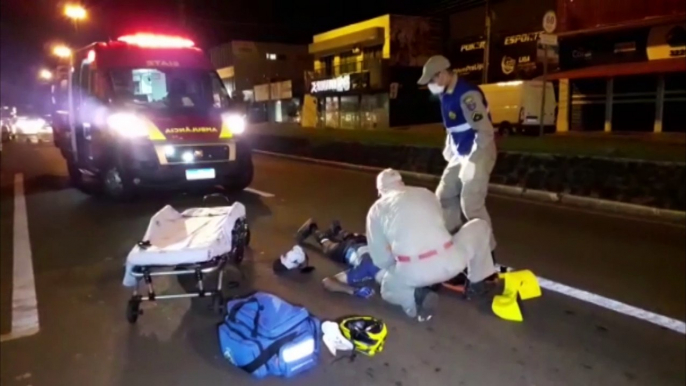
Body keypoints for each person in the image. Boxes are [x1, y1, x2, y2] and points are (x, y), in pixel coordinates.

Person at [367, 169, 498, 321]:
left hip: (415, 272)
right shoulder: (426, 193)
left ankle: (417, 296)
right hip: (451, 260)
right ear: (401, 182)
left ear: (380, 191)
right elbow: (438, 225)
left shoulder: (376, 210)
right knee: (479, 225)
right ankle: (477, 283)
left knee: (388, 290)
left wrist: (396, 268)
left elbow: (380, 258)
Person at [417, 55, 497, 255]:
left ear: (442, 74)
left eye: (432, 80)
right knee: (444, 196)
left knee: (471, 203)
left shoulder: (467, 95)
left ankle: (487, 252)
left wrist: (473, 160)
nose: (431, 86)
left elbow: (485, 131)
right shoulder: (446, 93)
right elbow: (453, 128)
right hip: (461, 154)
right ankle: (454, 243)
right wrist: (449, 146)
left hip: (479, 151)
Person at [295, 219, 380, 299]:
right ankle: (313, 228)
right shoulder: (364, 271)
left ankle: (339, 231)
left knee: (360, 238)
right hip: (347, 248)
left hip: (363, 243)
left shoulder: (388, 261)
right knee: (328, 247)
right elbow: (327, 282)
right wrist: (354, 291)